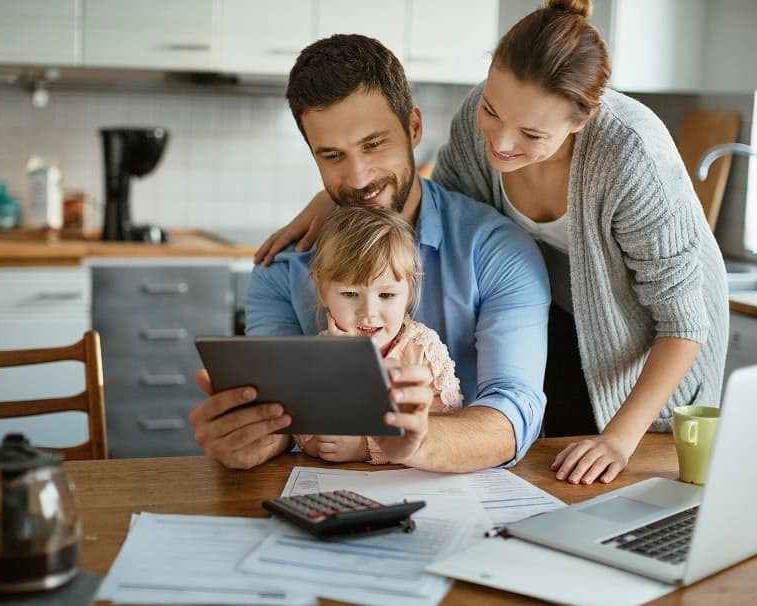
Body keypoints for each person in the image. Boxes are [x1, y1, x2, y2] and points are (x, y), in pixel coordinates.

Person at [254, 0, 729, 485]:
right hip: (559, 310)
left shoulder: (630, 155)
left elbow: (684, 322)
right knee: (555, 461)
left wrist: (620, 438)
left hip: (657, 341)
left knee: (613, 472)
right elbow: (438, 211)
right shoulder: (471, 126)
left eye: (530, 133)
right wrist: (340, 201)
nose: (500, 142)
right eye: (492, 111)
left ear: (579, 121)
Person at [191, 33, 551, 472]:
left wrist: (414, 442)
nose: (359, 176)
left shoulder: (496, 250)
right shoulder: (283, 268)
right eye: (332, 155)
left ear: (414, 128)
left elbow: (515, 412)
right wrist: (250, 436)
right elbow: (280, 416)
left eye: (373, 144)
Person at [295, 204, 464, 464]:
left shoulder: (423, 350)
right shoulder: (318, 354)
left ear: (408, 292)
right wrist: (317, 443)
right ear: (322, 290)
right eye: (350, 294)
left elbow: (447, 424)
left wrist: (365, 448)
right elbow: (302, 424)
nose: (369, 312)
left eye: (386, 295)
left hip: (414, 483)